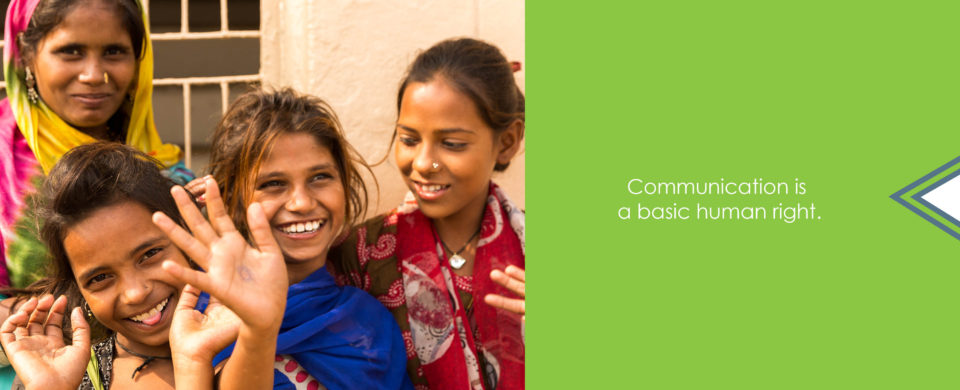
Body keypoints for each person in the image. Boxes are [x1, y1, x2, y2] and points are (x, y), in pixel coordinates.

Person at [327, 38, 527, 390]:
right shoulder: (360, 255)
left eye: (452, 144)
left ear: (507, 141)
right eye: (409, 139)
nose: (422, 163)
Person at [192, 88, 412, 389]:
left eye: (320, 177)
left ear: (345, 186)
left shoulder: (370, 324)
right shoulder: (203, 316)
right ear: (235, 202)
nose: (302, 203)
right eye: (273, 183)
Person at [0, 143, 240, 390]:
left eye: (150, 254)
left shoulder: (256, 349)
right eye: (100, 277)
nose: (136, 292)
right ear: (80, 291)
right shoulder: (62, 375)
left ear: (186, 238)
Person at [0, 0, 188, 289]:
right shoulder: (6, 161)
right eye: (71, 52)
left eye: (114, 52)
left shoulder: (163, 170)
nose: (93, 75)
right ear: (26, 55)